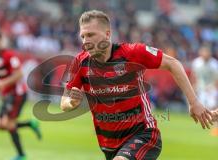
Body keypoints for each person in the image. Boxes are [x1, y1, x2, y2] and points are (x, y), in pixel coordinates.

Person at [60, 10, 213, 160]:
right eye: (83, 36)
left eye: (91, 35)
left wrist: (194, 102)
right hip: (109, 146)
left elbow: (173, 63)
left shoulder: (132, 53)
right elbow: (63, 103)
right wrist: (72, 102)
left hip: (143, 135)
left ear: (107, 34)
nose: (85, 41)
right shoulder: (80, 63)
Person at [0, 31, 42, 160]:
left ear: (0, 41)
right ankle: (30, 124)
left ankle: (21, 155)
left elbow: (19, 75)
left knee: (9, 124)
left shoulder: (9, 56)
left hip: (17, 94)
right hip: (6, 94)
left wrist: (1, 84)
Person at [191, 45, 218, 136]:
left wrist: (213, 88)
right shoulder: (196, 63)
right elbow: (193, 75)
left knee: (213, 106)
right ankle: (207, 124)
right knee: (203, 107)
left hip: (211, 89)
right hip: (201, 88)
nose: (205, 54)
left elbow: (216, 79)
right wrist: (193, 86)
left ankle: (216, 126)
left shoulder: (214, 64)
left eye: (207, 53)